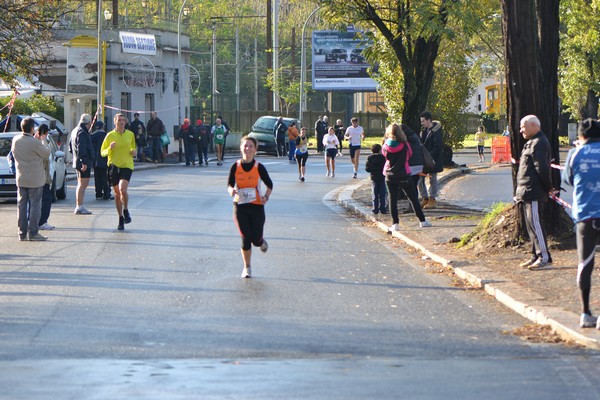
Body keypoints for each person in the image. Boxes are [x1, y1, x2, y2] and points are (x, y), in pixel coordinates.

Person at [562, 118, 600, 328]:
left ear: (581, 136)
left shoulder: (574, 154)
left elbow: (567, 179)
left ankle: (586, 313)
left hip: (585, 216)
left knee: (585, 264)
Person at [227, 136, 273, 278]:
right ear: (241, 148)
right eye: (245, 146)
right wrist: (231, 191)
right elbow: (229, 184)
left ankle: (261, 241)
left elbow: (269, 184)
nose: (247, 148)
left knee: (256, 239)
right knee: (246, 237)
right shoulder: (236, 166)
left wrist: (266, 197)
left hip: (257, 207)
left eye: (250, 146)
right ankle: (247, 267)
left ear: (255, 150)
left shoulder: (259, 167)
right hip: (240, 206)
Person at [515, 115, 553, 270]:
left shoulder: (539, 143)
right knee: (530, 226)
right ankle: (535, 254)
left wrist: (549, 188)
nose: (520, 130)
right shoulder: (531, 143)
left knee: (536, 224)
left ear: (533, 126)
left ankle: (545, 257)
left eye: (523, 127)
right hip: (526, 191)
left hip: (534, 191)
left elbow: (542, 168)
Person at [382, 123, 431, 231]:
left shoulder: (386, 145)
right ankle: (422, 221)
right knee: (413, 198)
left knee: (392, 199)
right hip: (403, 174)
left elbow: (384, 155)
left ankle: (395, 223)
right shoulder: (404, 144)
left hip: (389, 174)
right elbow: (408, 155)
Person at [11, 117, 51, 241]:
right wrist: (44, 141)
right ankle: (33, 232)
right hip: (35, 179)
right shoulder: (35, 142)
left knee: (21, 205)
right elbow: (46, 153)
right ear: (32, 128)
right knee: (35, 206)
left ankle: (22, 232)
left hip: (21, 177)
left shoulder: (16, 140)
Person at [101, 113, 137, 231]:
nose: (121, 122)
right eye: (119, 120)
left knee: (122, 189)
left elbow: (133, 147)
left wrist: (134, 152)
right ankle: (120, 218)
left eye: (123, 120)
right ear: (115, 122)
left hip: (127, 165)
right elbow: (102, 152)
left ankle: (126, 209)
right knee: (116, 194)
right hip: (114, 166)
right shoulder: (109, 135)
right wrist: (109, 148)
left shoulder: (130, 134)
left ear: (125, 122)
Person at [417, 111, 444, 209]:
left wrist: (428, 156)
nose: (422, 123)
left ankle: (432, 199)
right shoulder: (423, 132)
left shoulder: (436, 132)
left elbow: (437, 147)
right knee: (420, 179)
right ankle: (425, 198)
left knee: (433, 179)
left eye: (423, 121)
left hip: (433, 160)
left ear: (429, 120)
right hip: (424, 160)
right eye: (421, 121)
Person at [70, 113, 94, 215]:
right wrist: (84, 162)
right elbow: (81, 148)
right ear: (88, 123)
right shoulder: (82, 132)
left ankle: (79, 206)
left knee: (82, 184)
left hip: (78, 160)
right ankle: (79, 206)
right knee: (82, 184)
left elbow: (71, 148)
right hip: (83, 162)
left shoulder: (75, 130)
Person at [35, 124, 54, 231]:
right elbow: (46, 155)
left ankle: (35, 222)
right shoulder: (42, 143)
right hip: (42, 176)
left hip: (37, 176)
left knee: (35, 200)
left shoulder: (33, 141)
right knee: (46, 199)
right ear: (46, 133)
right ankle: (42, 222)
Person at [90, 121, 113, 201]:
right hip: (104, 159)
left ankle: (98, 194)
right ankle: (107, 194)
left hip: (95, 160)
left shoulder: (91, 136)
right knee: (105, 177)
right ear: (103, 127)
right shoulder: (106, 136)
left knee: (97, 177)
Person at [365, 143, 387, 217]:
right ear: (380, 150)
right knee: (382, 193)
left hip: (374, 177)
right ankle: (383, 208)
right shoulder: (383, 158)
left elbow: (367, 169)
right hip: (381, 177)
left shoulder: (370, 158)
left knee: (375, 193)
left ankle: (375, 208)